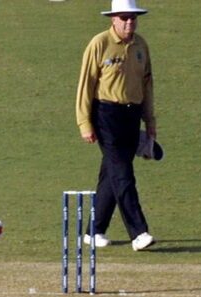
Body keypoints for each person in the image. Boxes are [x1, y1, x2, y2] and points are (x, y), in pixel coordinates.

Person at [75, 0, 157, 252]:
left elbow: (147, 85)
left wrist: (150, 121)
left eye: (133, 18)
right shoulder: (99, 44)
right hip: (106, 113)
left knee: (112, 173)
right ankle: (139, 231)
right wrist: (84, 123)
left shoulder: (141, 45)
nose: (129, 22)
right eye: (124, 18)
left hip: (131, 115)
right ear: (113, 19)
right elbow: (85, 84)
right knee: (122, 172)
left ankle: (93, 230)